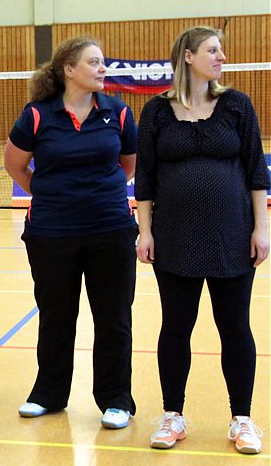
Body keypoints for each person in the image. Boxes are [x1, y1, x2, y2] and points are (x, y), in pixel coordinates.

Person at [135, 26, 269, 455]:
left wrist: (261, 227)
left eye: (221, 50)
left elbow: (255, 169)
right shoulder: (156, 112)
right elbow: (146, 178)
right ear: (188, 56)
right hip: (174, 238)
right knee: (176, 327)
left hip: (232, 236)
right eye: (213, 50)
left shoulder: (236, 106)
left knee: (235, 327)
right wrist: (145, 231)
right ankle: (173, 415)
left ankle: (242, 419)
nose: (222, 56)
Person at [3, 36, 138, 429]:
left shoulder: (119, 112)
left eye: (102, 62)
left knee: (113, 318)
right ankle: (48, 393)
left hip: (110, 229)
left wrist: (96, 195)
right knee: (56, 316)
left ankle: (116, 399)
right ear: (69, 70)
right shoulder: (37, 115)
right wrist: (50, 194)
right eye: (94, 62)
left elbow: (126, 165)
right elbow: (16, 166)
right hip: (52, 233)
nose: (102, 68)